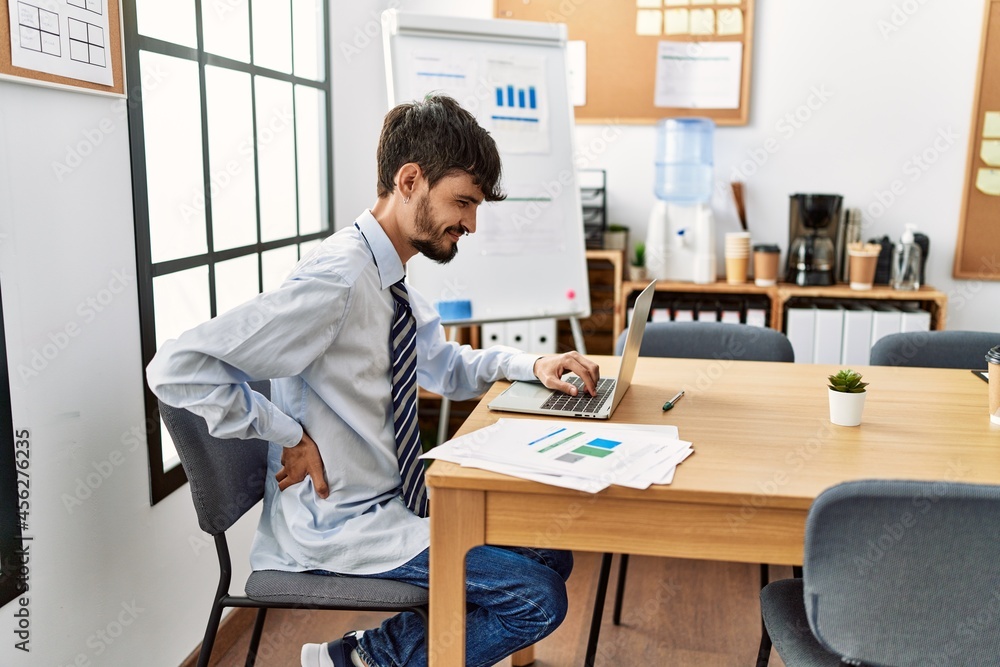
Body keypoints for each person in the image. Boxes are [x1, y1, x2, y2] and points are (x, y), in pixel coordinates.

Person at [146, 94, 600, 667]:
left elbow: (443, 364)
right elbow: (176, 366)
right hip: (342, 521)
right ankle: (366, 661)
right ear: (411, 179)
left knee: (550, 553)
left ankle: (370, 654)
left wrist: (529, 365)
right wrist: (284, 431)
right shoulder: (337, 281)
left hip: (392, 495)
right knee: (536, 599)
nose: (471, 223)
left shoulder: (389, 275)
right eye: (463, 202)